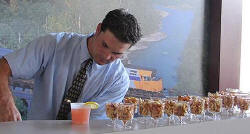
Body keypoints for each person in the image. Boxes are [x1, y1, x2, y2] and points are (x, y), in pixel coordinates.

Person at [0, 8, 142, 122]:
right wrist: (5, 100)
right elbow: (3, 66)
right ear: (98, 29)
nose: (106, 56)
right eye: (104, 45)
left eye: (116, 54)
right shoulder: (52, 44)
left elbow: (92, 125)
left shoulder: (118, 80)